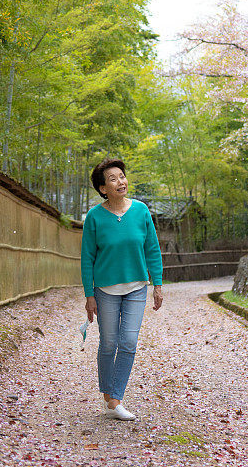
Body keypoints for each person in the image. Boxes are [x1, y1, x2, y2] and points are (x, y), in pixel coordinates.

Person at [81, 157, 163, 421]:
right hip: (105, 290)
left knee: (128, 342)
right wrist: (89, 294)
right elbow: (87, 258)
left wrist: (158, 284)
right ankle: (108, 393)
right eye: (113, 179)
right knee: (108, 343)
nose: (120, 181)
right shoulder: (94, 217)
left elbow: (152, 248)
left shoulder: (141, 211)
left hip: (137, 287)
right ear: (103, 188)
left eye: (122, 176)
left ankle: (115, 398)